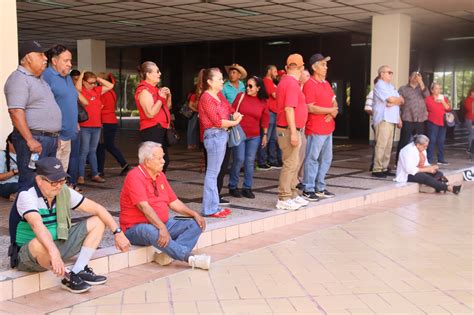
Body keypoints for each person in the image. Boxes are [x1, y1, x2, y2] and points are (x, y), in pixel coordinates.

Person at [8, 157, 130, 294]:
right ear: (39, 181)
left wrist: (118, 232)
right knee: (38, 243)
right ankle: (67, 277)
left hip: (57, 243)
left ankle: (79, 269)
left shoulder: (63, 191)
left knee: (98, 221)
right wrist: (54, 253)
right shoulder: (27, 195)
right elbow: (37, 226)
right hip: (28, 255)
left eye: (62, 180)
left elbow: (97, 208)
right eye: (54, 182)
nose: (59, 185)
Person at [120, 142, 211, 269]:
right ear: (147, 161)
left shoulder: (160, 175)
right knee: (150, 230)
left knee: (195, 222)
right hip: (135, 228)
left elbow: (174, 202)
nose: (164, 161)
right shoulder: (134, 176)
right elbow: (144, 207)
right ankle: (189, 258)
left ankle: (168, 255)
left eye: (163, 157)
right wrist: (162, 228)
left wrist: (194, 214)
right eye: (159, 158)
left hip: (162, 224)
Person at [4, 40, 62, 190]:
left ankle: (39, 212)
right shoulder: (19, 78)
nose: (45, 58)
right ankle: (25, 213)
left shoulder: (40, 80)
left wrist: (54, 136)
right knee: (30, 182)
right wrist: (29, 140)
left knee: (47, 182)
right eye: (40, 55)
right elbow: (16, 111)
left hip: (48, 139)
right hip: (34, 139)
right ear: (28, 57)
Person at [199, 68, 242, 218]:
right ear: (209, 82)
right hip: (214, 135)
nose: (222, 81)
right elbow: (216, 121)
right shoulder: (206, 97)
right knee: (212, 173)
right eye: (218, 79)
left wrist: (234, 113)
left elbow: (229, 108)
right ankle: (210, 208)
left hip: (221, 135)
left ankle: (213, 206)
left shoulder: (218, 95)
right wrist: (235, 121)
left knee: (215, 173)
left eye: (221, 78)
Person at [275, 54, 309, 211]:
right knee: (290, 163)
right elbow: (289, 108)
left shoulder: (286, 82)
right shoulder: (291, 84)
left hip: (290, 128)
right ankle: (283, 197)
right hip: (289, 129)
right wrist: (294, 132)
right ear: (301, 68)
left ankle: (293, 194)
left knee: (294, 163)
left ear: (287, 67)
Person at [42, 45, 82, 177]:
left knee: (62, 174)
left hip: (68, 135)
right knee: (52, 176)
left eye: (70, 61)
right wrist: (54, 134)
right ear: (54, 61)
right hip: (56, 137)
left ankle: (60, 197)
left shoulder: (66, 77)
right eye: (66, 60)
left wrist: (74, 121)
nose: (70, 64)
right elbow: (44, 106)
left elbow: (68, 101)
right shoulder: (47, 76)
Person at [302, 54, 337, 201]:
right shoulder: (310, 84)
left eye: (326, 64)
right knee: (313, 158)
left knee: (327, 158)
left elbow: (334, 102)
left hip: (328, 127)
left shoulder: (326, 84)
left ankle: (320, 186)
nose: (326, 67)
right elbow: (310, 107)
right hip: (316, 128)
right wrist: (329, 111)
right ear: (314, 67)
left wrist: (333, 112)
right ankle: (308, 188)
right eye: (323, 64)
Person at [228, 76, 269, 199]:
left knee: (250, 162)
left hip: (255, 136)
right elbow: (231, 110)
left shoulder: (262, 102)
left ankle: (247, 187)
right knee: (239, 159)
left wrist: (265, 135)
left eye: (251, 86)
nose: (248, 88)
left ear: (258, 88)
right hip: (240, 134)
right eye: (247, 85)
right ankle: (233, 186)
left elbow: (265, 119)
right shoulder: (241, 96)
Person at [75, 71, 114, 184]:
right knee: (84, 151)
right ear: (84, 82)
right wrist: (82, 75)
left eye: (94, 83)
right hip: (85, 126)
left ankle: (95, 174)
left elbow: (110, 86)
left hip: (97, 126)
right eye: (90, 83)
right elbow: (77, 88)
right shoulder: (81, 91)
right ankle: (81, 176)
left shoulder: (96, 91)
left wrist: (97, 79)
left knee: (93, 151)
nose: (93, 85)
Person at [134, 61, 173, 173]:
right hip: (151, 129)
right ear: (148, 74)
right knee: (154, 162)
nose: (160, 73)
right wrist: (161, 98)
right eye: (157, 71)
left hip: (160, 129)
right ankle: (150, 186)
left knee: (163, 160)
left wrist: (168, 96)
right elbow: (150, 113)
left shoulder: (155, 89)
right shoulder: (144, 90)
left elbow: (167, 107)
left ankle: (156, 185)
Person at [396, 134, 461, 194]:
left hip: (420, 170)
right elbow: (409, 170)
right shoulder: (407, 151)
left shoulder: (422, 149)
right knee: (425, 177)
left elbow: (425, 164)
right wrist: (427, 170)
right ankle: (449, 188)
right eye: (424, 146)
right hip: (407, 175)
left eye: (426, 146)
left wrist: (431, 167)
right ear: (418, 145)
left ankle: (437, 186)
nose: (426, 148)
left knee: (438, 173)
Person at [372, 65, 405, 178]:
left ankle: (384, 167)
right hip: (383, 118)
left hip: (392, 118)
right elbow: (390, 100)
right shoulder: (379, 85)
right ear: (382, 74)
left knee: (388, 145)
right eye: (389, 72)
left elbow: (401, 100)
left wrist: (395, 104)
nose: (391, 74)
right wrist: (395, 101)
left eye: (391, 72)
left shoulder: (390, 86)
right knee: (381, 145)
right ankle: (377, 168)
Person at [96, 72, 129, 177]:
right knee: (109, 145)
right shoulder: (112, 92)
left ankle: (100, 171)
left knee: (100, 147)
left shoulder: (102, 92)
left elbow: (99, 107)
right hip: (112, 121)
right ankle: (124, 164)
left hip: (104, 121)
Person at [395, 71, 429, 163]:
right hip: (407, 118)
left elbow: (427, 96)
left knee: (420, 142)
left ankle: (419, 161)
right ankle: (399, 162)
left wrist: (421, 82)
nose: (416, 77)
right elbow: (398, 104)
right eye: (414, 75)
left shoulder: (422, 88)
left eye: (418, 76)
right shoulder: (403, 89)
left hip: (420, 119)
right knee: (404, 141)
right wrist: (398, 118)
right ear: (409, 77)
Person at [257, 65, 281, 170]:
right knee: (265, 137)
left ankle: (272, 160)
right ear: (269, 71)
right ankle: (262, 161)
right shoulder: (266, 81)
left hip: (274, 113)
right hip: (269, 113)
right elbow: (275, 95)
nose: (276, 73)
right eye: (275, 71)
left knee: (272, 139)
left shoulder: (272, 82)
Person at [67, 70, 87, 191]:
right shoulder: (72, 91)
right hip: (73, 126)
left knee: (64, 156)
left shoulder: (58, 91)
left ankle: (63, 183)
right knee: (74, 156)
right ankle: (72, 183)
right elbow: (86, 102)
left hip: (61, 128)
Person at [425, 82, 452, 165]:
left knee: (441, 141)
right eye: (436, 88)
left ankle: (440, 159)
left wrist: (443, 101)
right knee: (432, 141)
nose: (438, 90)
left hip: (442, 122)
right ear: (432, 90)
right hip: (432, 121)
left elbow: (448, 109)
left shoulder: (443, 98)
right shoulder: (428, 98)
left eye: (440, 88)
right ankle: (429, 159)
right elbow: (431, 108)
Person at [0, 133, 19, 201]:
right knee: (19, 186)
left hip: (20, 183)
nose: (18, 146)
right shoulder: (2, 154)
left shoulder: (23, 156)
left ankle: (16, 195)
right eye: (16, 143)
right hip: (6, 185)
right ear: (9, 142)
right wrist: (15, 171)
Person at [464, 87, 474, 154]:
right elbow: (469, 109)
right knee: (472, 134)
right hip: (470, 119)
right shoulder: (468, 100)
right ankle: (470, 148)